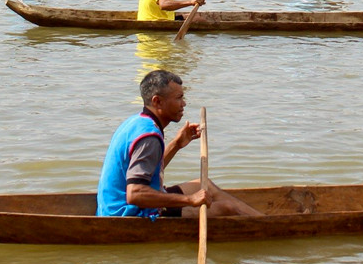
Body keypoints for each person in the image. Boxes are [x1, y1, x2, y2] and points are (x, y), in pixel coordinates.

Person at [97, 69, 262, 219]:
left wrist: (176, 144)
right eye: (178, 98)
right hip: (127, 212)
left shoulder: (138, 122)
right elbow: (135, 194)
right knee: (228, 209)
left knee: (206, 185)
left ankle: (264, 220)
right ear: (157, 101)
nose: (184, 104)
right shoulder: (149, 137)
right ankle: (269, 226)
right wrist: (190, 200)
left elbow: (150, 169)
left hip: (120, 205)